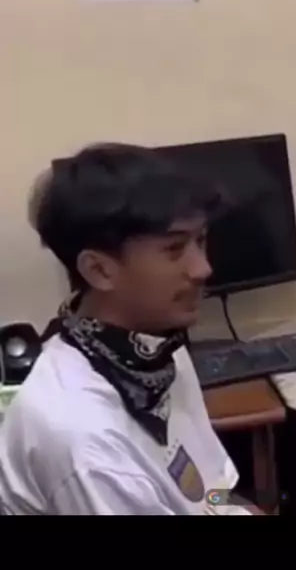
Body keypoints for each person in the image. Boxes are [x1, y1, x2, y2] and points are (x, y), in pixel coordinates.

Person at [0, 143, 254, 515]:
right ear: (99, 270)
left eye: (200, 240)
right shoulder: (84, 439)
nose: (203, 268)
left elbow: (211, 495)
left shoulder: (154, 350)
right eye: (174, 249)